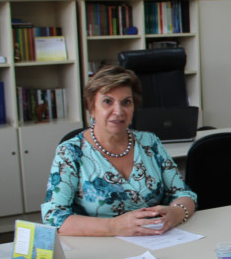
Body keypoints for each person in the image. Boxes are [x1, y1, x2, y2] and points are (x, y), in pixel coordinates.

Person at [42, 65, 197, 236]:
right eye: (108, 101)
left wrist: (175, 214)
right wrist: (113, 226)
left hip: (155, 241)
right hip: (98, 247)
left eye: (126, 102)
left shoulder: (149, 142)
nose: (119, 111)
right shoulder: (70, 152)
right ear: (91, 108)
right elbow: (54, 216)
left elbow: (184, 193)